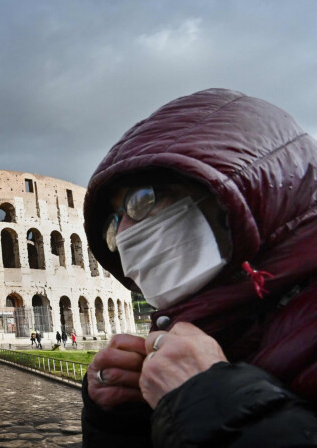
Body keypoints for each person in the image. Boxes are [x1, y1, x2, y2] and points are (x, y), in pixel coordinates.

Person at [81, 89, 317, 447]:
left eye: (144, 198)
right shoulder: (212, 327)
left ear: (240, 191)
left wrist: (209, 400)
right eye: (113, 224)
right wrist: (124, 421)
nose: (125, 234)